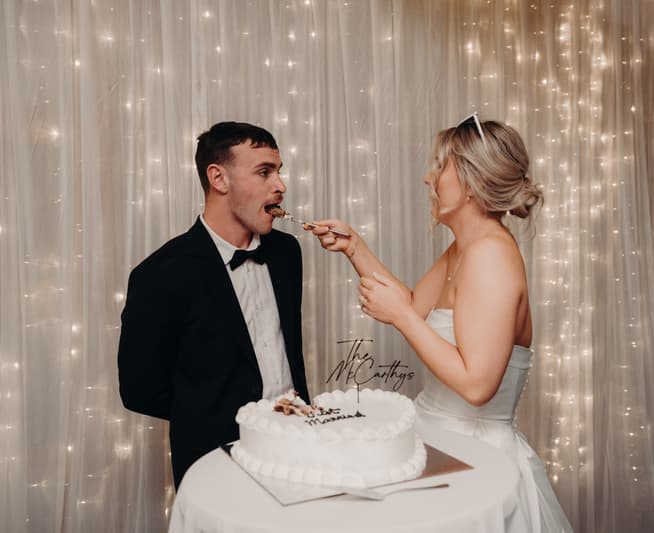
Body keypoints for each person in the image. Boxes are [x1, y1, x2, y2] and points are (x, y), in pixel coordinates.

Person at [308, 114, 573, 532]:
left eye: (439, 167)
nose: (427, 179)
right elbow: (414, 304)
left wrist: (399, 318)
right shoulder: (463, 248)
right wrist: (354, 248)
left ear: (470, 182)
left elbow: (477, 385)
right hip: (429, 441)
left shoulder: (491, 257)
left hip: (474, 458)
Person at [117, 121, 309, 487]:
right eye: (264, 172)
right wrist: (211, 415)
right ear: (219, 179)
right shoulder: (159, 274)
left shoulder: (288, 253)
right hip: (214, 463)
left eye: (279, 172)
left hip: (296, 448)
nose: (281, 186)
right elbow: (140, 390)